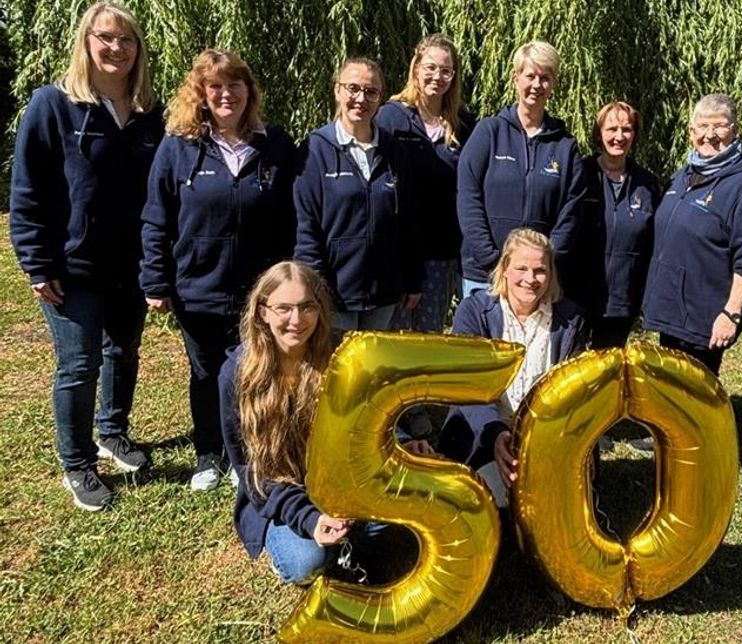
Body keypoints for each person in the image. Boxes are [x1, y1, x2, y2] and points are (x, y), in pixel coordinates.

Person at [9, 1, 162, 511]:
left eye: (127, 40)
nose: (116, 48)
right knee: (79, 364)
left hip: (130, 264)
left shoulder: (148, 114)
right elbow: (27, 190)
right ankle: (77, 463)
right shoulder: (52, 105)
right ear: (86, 42)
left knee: (124, 353)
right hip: (71, 267)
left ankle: (112, 432)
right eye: (106, 38)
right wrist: (36, 262)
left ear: (137, 50)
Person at [140, 49, 297, 491]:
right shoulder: (178, 146)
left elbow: (293, 217)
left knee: (255, 372)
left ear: (249, 91)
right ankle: (208, 452)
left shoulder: (275, 145)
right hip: (198, 286)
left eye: (235, 85)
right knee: (207, 373)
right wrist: (155, 279)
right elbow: (157, 217)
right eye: (216, 87)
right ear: (202, 94)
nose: (226, 95)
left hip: (260, 293)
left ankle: (246, 453)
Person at [220, 261, 432, 584]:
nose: (296, 320)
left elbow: (372, 412)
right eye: (283, 308)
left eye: (307, 307)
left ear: (320, 309)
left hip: (338, 482)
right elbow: (253, 473)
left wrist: (402, 442)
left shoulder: (340, 354)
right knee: (307, 561)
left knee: (405, 516)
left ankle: (345, 536)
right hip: (281, 494)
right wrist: (310, 518)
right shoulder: (237, 374)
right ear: (262, 311)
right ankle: (301, 544)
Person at [438, 229, 588, 504]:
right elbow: (468, 389)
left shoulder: (571, 318)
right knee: (488, 505)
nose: (530, 280)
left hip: (544, 434)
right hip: (485, 431)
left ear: (551, 274)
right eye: (521, 268)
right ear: (505, 268)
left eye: (540, 270)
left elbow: (572, 391)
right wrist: (496, 434)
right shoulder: (473, 313)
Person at [642, 93, 742, 376]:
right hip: (672, 313)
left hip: (705, 318)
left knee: (695, 395)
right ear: (691, 131)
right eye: (702, 126)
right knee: (669, 391)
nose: (710, 135)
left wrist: (731, 313)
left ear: (734, 131)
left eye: (720, 126)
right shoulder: (683, 176)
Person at [294, 57, 422, 344]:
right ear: (337, 91)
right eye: (353, 88)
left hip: (384, 293)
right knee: (333, 376)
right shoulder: (315, 149)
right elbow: (306, 224)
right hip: (333, 294)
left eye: (371, 91)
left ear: (380, 98)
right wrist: (314, 286)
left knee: (372, 375)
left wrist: (412, 278)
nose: (360, 99)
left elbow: (408, 222)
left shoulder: (394, 152)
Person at [456, 41, 584, 298]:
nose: (537, 85)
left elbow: (571, 211)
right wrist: (493, 261)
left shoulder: (565, 146)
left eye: (545, 78)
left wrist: (543, 265)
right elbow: (468, 197)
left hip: (536, 280)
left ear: (553, 84)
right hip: (485, 275)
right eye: (530, 76)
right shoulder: (489, 132)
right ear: (516, 79)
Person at [375, 33, 476, 335]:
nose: (437, 76)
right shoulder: (390, 117)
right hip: (397, 252)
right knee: (395, 346)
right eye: (430, 67)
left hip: (441, 254)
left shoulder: (463, 124)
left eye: (446, 70)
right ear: (416, 67)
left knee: (429, 343)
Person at [570, 101, 660, 349]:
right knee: (570, 370)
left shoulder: (647, 184)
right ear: (599, 133)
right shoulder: (579, 175)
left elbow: (653, 243)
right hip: (575, 296)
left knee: (607, 372)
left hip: (621, 299)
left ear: (635, 135)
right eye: (611, 129)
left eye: (627, 129)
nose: (619, 136)